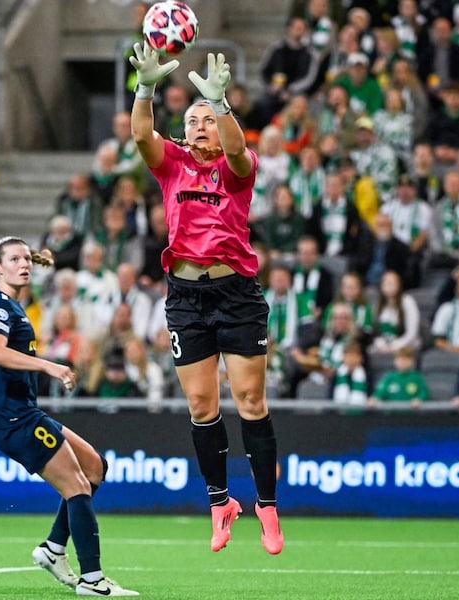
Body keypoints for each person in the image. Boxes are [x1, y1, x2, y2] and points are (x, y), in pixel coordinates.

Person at [129, 43, 284, 554]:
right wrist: (145, 88)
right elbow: (140, 135)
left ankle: (266, 505)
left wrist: (220, 104)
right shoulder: (171, 163)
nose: (198, 126)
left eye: (207, 119)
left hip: (236, 294)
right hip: (186, 296)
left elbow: (238, 151)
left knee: (251, 402)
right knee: (200, 404)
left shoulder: (239, 168)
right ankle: (220, 503)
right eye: (192, 119)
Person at [0, 236, 139, 597]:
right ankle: (92, 580)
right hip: (12, 417)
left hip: (21, 411)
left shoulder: (3, 307)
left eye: (26, 258)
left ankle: (54, 549)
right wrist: (50, 367)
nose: (23, 264)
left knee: (94, 468)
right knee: (76, 486)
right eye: (13, 259)